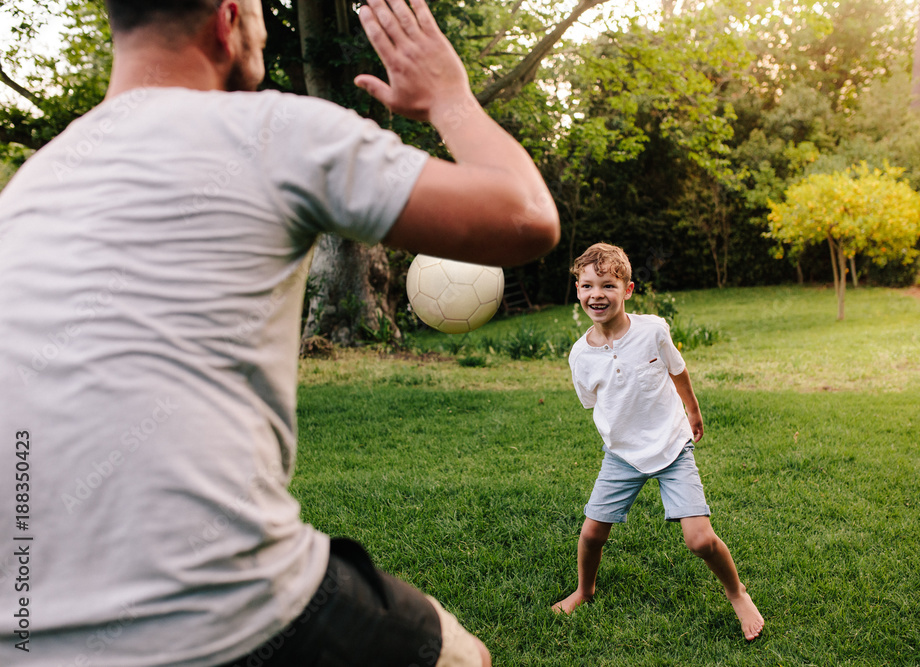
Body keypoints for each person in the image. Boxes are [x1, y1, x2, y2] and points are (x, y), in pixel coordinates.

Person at [0, 0, 558, 665]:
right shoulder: (270, 131)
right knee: (461, 656)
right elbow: (525, 217)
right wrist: (448, 98)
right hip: (214, 608)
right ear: (228, 19)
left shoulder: (31, 189)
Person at [551, 243, 764, 642]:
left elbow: (676, 369)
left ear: (628, 289)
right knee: (592, 533)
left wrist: (693, 410)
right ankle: (584, 589)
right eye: (587, 285)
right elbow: (593, 401)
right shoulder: (580, 356)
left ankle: (737, 592)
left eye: (608, 285)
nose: (597, 294)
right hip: (622, 454)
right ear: (577, 290)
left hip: (670, 445)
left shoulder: (653, 329)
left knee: (699, 539)